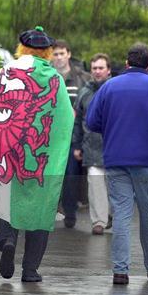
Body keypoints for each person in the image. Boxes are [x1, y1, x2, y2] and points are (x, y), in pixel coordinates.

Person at [0, 26, 73, 282]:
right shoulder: (55, 79)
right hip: (42, 155)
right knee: (42, 207)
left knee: (10, 196)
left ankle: (7, 239)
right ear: (48, 52)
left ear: (21, 48)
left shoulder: (6, 72)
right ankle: (30, 270)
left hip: (10, 149)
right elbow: (66, 118)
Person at [86, 43, 148, 285]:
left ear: (126, 63)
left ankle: (120, 270)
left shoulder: (109, 87)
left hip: (116, 159)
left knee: (121, 215)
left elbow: (92, 121)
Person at [52, 39, 91, 228]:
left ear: (68, 54)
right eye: (55, 54)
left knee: (70, 175)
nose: (58, 57)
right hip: (48, 135)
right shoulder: (47, 75)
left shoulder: (82, 77)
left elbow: (89, 103)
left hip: (71, 135)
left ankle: (70, 213)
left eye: (62, 53)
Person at [72, 53, 112, 235]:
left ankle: (111, 216)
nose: (97, 71)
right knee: (95, 187)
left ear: (108, 70)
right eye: (94, 68)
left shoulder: (115, 90)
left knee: (115, 188)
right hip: (92, 147)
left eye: (100, 68)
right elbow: (78, 121)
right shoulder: (84, 92)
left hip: (114, 148)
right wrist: (77, 145)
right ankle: (99, 222)